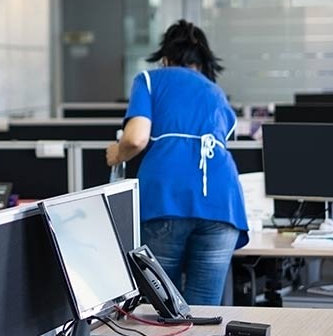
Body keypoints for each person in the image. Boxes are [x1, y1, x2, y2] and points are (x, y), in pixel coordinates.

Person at [106, 20, 247, 306]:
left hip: (167, 198)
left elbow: (136, 139)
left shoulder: (149, 80)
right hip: (223, 204)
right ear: (203, 62)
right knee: (203, 310)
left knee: (161, 308)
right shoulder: (215, 93)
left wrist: (116, 154)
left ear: (165, 58)